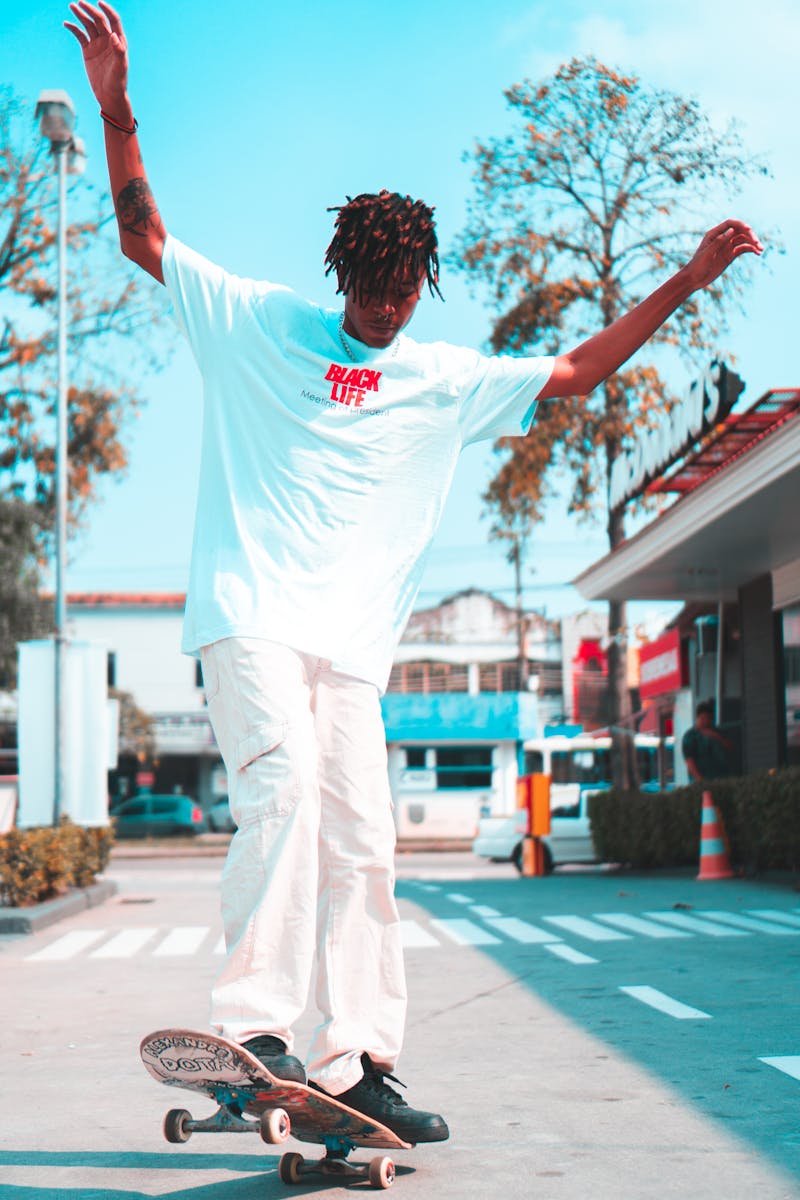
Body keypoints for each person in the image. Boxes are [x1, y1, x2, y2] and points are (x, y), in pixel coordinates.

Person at [66, 0, 762, 1142]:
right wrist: (117, 107)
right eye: (372, 292)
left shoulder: (440, 375)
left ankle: (353, 1063)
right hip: (247, 617)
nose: (384, 312)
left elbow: (577, 372)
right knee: (280, 796)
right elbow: (145, 236)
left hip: (348, 650)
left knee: (366, 847)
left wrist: (685, 280)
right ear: (344, 273)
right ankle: (257, 1028)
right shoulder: (260, 323)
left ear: (423, 282)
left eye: (402, 293)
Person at [682, 700, 734, 782]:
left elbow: (730, 747)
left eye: (709, 718)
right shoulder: (690, 736)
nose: (708, 721)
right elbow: (689, 760)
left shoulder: (717, 732)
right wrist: (700, 780)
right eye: (705, 718)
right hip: (703, 778)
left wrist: (716, 736)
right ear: (700, 717)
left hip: (722, 777)